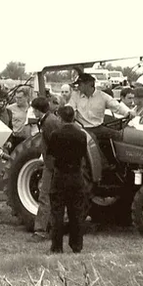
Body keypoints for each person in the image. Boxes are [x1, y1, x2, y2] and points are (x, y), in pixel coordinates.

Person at [44, 106, 91, 254]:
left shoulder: (55, 135)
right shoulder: (81, 135)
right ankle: (76, 245)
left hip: (60, 175)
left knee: (57, 211)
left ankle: (57, 246)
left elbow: (51, 155)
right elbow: (83, 155)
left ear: (60, 118)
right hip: (76, 175)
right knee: (76, 212)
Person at [30, 96, 61, 240]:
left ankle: (40, 231)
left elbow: (54, 144)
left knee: (44, 196)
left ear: (37, 110)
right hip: (53, 163)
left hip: (52, 165)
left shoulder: (48, 123)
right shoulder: (50, 120)